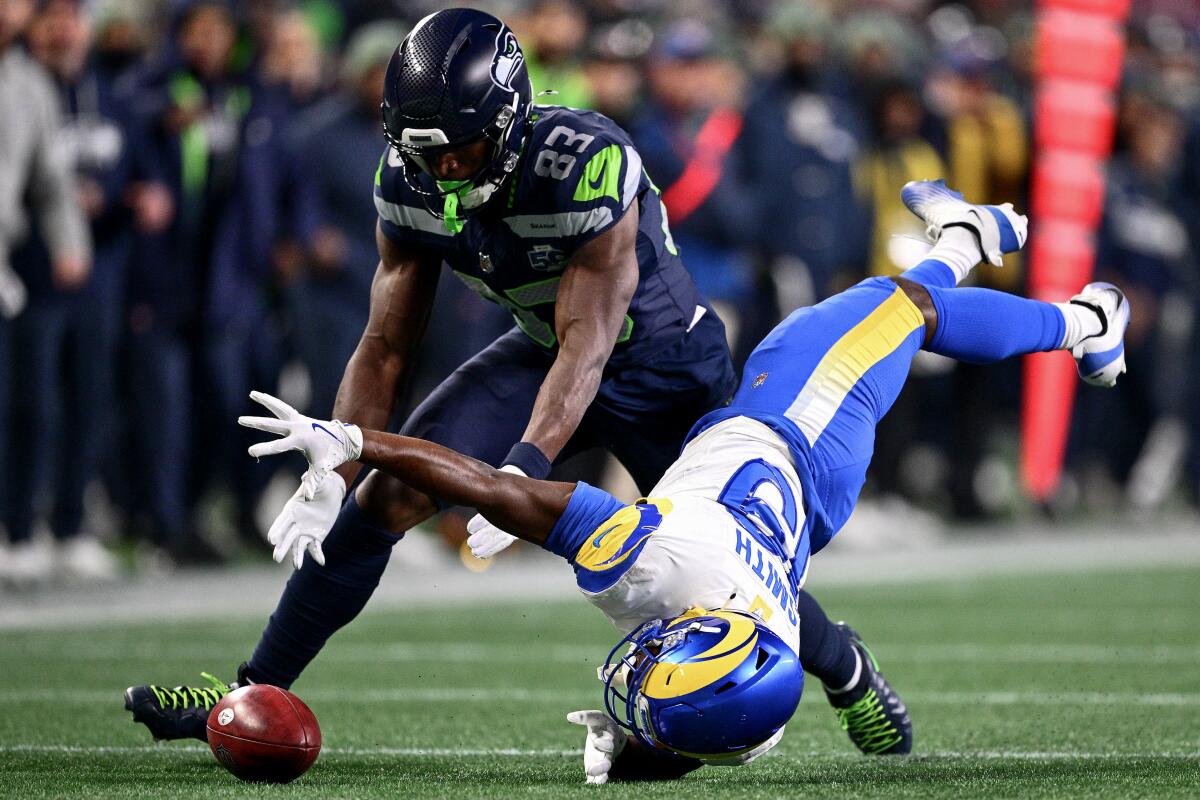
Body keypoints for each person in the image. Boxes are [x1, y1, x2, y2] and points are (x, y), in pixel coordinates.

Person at [123, 9, 895, 757]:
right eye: (428, 154)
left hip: (661, 370)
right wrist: (341, 460)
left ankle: (847, 667)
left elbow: (589, 344)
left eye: (462, 147)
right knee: (379, 497)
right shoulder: (409, 177)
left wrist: (521, 471)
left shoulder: (584, 161)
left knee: (725, 572)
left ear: (510, 115)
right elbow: (387, 342)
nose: (446, 169)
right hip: (536, 350)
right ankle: (249, 692)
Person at [232, 181, 1127, 781]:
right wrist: (353, 438)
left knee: (894, 321)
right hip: (795, 428)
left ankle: (967, 237)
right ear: (699, 633)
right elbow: (495, 487)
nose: (636, 671)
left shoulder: (750, 716)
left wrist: (632, 745)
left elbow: (683, 734)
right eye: (659, 670)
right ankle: (1089, 321)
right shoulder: (656, 565)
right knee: (899, 311)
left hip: (794, 524)